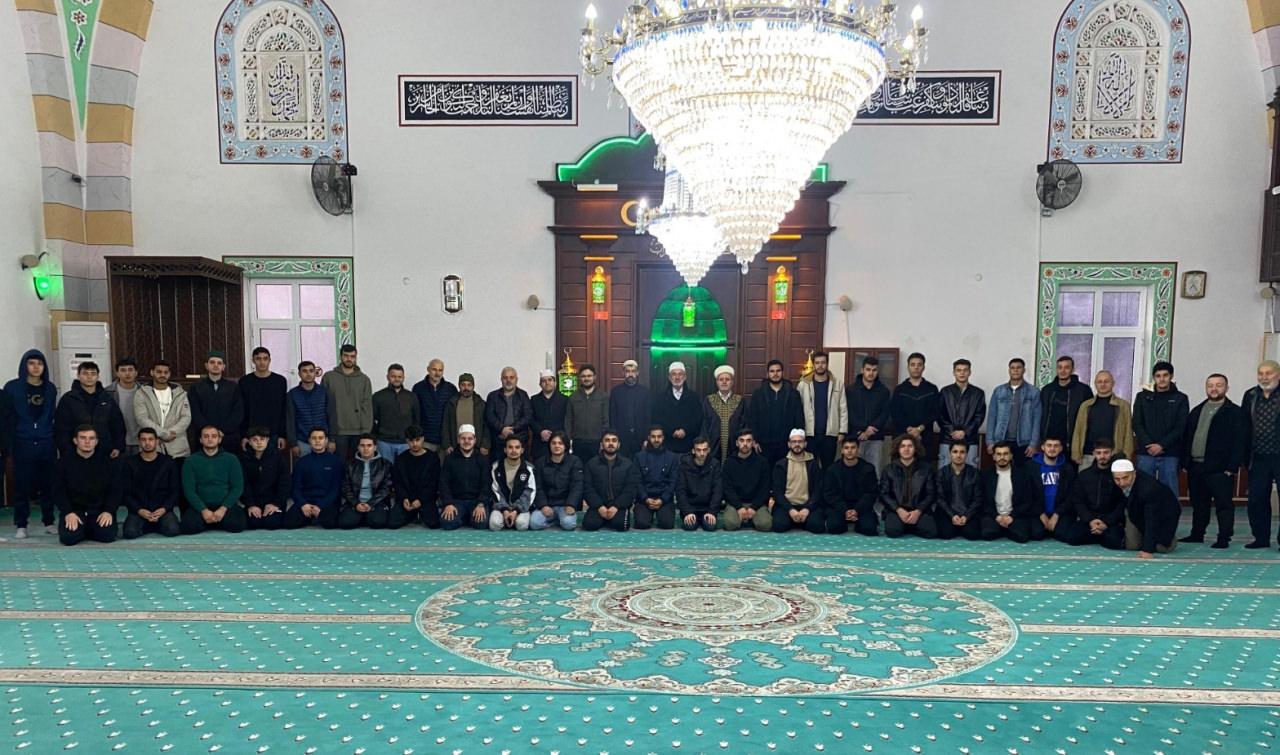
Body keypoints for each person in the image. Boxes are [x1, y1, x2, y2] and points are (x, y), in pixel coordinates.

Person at [1180, 374, 1245, 547]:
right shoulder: (1196, 411)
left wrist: (1232, 467)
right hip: (1196, 466)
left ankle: (1224, 538)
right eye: (1210, 385)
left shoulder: (1235, 412)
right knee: (1198, 504)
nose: (1214, 389)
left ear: (1227, 388)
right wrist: (1185, 462)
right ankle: (1197, 534)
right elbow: (1187, 437)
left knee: (1223, 505)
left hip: (1221, 469)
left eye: (1218, 385)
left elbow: (1239, 441)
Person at [5, 350, 58, 538]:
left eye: (40, 363)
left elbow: (51, 415)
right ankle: (21, 524)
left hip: (45, 441)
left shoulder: (50, 388)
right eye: (31, 363)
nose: (36, 367)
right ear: (24, 365)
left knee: (48, 484)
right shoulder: (12, 387)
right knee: (22, 484)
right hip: (22, 441)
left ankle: (49, 521)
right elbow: (7, 416)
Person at [52, 425, 121, 546]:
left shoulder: (107, 463)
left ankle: (87, 529)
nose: (87, 442)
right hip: (75, 512)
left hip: (99, 512)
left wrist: (109, 511)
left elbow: (115, 490)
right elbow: (58, 491)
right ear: (75, 440)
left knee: (107, 536)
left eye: (91, 438)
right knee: (69, 538)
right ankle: (85, 529)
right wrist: (68, 512)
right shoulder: (63, 463)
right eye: (83, 438)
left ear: (96, 441)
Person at [1133, 361, 1189, 496]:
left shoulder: (1181, 398)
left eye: (1165, 375)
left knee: (1169, 492)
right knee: (1143, 490)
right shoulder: (1142, 397)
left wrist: (1162, 445)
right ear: (1154, 378)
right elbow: (1136, 423)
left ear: (1171, 376)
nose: (1162, 379)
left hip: (1170, 453)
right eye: (1158, 376)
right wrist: (1148, 444)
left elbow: (1181, 426)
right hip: (1146, 452)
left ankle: (1169, 512)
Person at [1056, 440, 1126, 549]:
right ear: (1094, 453)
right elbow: (1078, 501)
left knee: (1114, 542)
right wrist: (1090, 520)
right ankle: (1097, 533)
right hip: (1089, 519)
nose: (1102, 456)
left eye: (1106, 452)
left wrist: (1106, 522)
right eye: (1099, 453)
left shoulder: (1117, 476)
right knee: (1072, 537)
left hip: (1110, 521)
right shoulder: (1084, 475)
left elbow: (1122, 503)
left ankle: (1098, 533)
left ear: (1112, 453)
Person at [180, 425, 247, 535]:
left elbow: (237, 487)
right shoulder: (191, 461)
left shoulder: (231, 459)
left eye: (214, 436)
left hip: (224, 505)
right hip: (201, 506)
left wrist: (223, 509)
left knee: (238, 525)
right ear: (200, 440)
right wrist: (203, 510)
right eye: (206, 436)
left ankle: (212, 521)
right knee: (188, 527)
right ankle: (213, 520)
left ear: (219, 439)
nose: (210, 439)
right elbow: (189, 490)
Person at [1242, 360, 1280, 549]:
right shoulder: (1250, 395)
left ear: (1278, 375)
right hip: (1257, 457)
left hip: (1278, 455)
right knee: (1256, 499)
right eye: (1261, 373)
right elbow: (1243, 426)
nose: (1264, 377)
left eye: (1269, 373)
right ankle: (1261, 538)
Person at [54, 361, 126, 458]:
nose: (89, 377)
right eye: (85, 373)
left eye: (93, 373)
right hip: (76, 452)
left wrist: (118, 446)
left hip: (105, 451)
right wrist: (66, 450)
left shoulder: (107, 398)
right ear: (78, 375)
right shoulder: (68, 399)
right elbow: (61, 428)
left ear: (98, 376)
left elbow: (117, 424)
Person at [120, 427, 181, 539]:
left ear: (157, 441)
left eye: (150, 439)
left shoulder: (168, 462)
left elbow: (175, 491)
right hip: (139, 510)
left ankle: (153, 525)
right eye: (143, 439)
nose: (147, 443)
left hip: (162, 510)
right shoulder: (130, 463)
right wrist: (139, 510)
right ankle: (150, 525)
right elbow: (126, 492)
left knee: (173, 530)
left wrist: (164, 509)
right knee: (130, 533)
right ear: (139, 442)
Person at [980, 441, 1046, 542]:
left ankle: (1006, 529)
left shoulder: (1022, 475)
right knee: (988, 534)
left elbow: (1027, 501)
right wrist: (996, 517)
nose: (1002, 457)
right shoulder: (986, 475)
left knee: (1021, 537)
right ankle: (1001, 528)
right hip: (994, 516)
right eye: (999, 454)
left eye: (1005, 454)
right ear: (994, 456)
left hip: (1015, 516)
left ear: (1011, 456)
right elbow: (983, 501)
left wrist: (1012, 516)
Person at [1112, 459, 1180, 558]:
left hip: (1163, 515)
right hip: (1134, 512)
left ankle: (1169, 539)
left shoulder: (1149, 488)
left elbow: (1151, 519)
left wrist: (1148, 550)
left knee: (1161, 548)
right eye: (1117, 479)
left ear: (1134, 473)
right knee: (1132, 546)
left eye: (1125, 478)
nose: (1121, 483)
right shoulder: (1114, 482)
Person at [879, 433, 938, 538]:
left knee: (930, 532)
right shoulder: (889, 469)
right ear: (898, 449)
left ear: (915, 449)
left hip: (919, 510)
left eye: (910, 446)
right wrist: (898, 510)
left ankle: (909, 525)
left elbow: (931, 494)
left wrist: (918, 511)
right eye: (903, 446)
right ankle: (907, 525)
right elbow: (884, 494)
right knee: (893, 531)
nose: (906, 449)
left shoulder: (926, 469)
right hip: (896, 510)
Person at [818, 436, 879, 535]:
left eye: (853, 447)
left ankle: (858, 522)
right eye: (846, 448)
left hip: (861, 507)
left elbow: (871, 493)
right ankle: (847, 520)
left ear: (858, 450)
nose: (849, 451)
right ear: (842, 450)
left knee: (869, 528)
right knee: (834, 527)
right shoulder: (832, 469)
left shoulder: (868, 469)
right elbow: (829, 494)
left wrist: (857, 510)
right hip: (840, 506)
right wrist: (844, 510)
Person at [284, 428, 344, 529]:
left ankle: (314, 516)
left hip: (326, 502)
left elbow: (336, 489)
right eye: (314, 438)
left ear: (326, 440)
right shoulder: (301, 462)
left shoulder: (336, 462)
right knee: (289, 523)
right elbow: (295, 487)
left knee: (330, 523)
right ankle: (310, 516)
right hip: (306, 501)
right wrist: (303, 504)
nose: (317, 441)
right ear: (309, 440)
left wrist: (321, 505)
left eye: (320, 438)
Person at [322, 344, 374, 460]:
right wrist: (328, 434)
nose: (349, 359)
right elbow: (324, 406)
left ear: (356, 358)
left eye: (352, 356)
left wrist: (366, 432)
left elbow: (367, 407)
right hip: (337, 432)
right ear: (340, 357)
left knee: (356, 465)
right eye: (346, 356)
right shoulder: (329, 377)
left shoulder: (364, 380)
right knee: (338, 465)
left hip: (358, 432)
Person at [1071, 370, 1135, 465]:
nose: (1103, 384)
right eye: (1099, 382)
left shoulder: (1123, 406)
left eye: (1106, 381)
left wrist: (1127, 455)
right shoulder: (1085, 406)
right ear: (1095, 384)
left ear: (1113, 383)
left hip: (1115, 455)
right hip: (1088, 455)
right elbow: (1078, 431)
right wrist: (1076, 453)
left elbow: (1128, 432)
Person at [748, 360, 804, 465]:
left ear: (782, 372)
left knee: (784, 472)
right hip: (764, 444)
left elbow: (799, 418)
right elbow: (752, 419)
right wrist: (754, 440)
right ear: (767, 374)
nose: (775, 374)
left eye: (778, 371)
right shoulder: (758, 394)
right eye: (772, 371)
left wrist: (797, 441)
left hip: (786, 444)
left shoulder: (793, 394)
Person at [798, 351, 847, 470]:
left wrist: (842, 431)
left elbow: (843, 408)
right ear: (814, 364)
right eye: (817, 363)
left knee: (829, 468)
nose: (820, 365)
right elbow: (798, 409)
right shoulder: (803, 384)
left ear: (827, 364)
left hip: (830, 434)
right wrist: (800, 431)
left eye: (823, 362)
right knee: (810, 467)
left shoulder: (837, 384)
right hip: (810, 434)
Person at [582, 431, 639, 532]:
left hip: (618, 506)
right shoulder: (591, 464)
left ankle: (608, 519)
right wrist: (599, 506)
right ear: (601, 444)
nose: (611, 443)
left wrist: (616, 506)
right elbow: (587, 488)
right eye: (607, 440)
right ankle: (604, 519)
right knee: (589, 525)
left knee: (621, 525)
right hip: (599, 506)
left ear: (618, 444)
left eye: (614, 440)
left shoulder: (628, 465)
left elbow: (630, 489)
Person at [188, 352, 244, 453]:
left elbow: (238, 412)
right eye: (212, 362)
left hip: (228, 437)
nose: (216, 365)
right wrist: (209, 432)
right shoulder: (196, 387)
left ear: (223, 367)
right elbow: (194, 411)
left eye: (219, 363)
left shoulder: (233, 387)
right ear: (206, 365)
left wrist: (222, 431)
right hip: (205, 437)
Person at [986, 358, 1041, 462]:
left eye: (1018, 368)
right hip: (1001, 441)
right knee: (1002, 470)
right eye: (1012, 368)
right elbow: (992, 417)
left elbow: (1037, 419)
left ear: (1024, 370)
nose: (1015, 370)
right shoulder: (999, 391)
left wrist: (1034, 444)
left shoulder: (1033, 392)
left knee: (1022, 471)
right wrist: (990, 441)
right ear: (1009, 370)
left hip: (1024, 442)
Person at [134, 360, 191, 459]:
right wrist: (163, 434)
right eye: (159, 372)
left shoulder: (180, 393)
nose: (162, 375)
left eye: (166, 372)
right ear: (152, 372)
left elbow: (186, 417)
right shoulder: (141, 393)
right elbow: (142, 418)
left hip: (177, 445)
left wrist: (172, 433)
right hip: (153, 447)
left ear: (169, 374)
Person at [720, 428, 773, 532]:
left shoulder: (762, 462)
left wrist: (754, 508)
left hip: (756, 504)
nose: (745, 444)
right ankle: (746, 519)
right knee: (730, 524)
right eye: (742, 440)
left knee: (766, 525)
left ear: (753, 443)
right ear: (737, 443)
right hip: (735, 504)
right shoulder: (729, 463)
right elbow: (727, 489)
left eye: (748, 441)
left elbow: (765, 489)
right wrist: (739, 507)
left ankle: (749, 519)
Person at [439, 424, 490, 530]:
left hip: (476, 501)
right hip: (456, 501)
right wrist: (448, 503)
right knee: (447, 523)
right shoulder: (450, 459)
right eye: (463, 438)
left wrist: (481, 504)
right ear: (458, 440)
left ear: (475, 440)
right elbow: (443, 483)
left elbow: (486, 484)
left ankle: (465, 517)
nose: (466, 441)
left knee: (481, 524)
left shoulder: (482, 459)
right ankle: (466, 517)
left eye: (470, 438)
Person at [339, 434, 395, 529]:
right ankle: (361, 516)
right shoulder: (349, 464)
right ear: (358, 447)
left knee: (377, 523)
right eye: (362, 445)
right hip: (355, 502)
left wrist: (370, 503)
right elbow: (345, 487)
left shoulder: (385, 464)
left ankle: (365, 517)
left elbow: (386, 488)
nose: (366, 449)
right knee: (346, 524)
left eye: (369, 445)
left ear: (375, 447)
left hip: (377, 503)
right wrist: (356, 503)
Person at [890, 352, 940, 458]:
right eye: (913, 364)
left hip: (925, 437)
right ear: (908, 367)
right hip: (902, 437)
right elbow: (895, 412)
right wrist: (909, 429)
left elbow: (935, 412)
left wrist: (920, 429)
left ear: (923, 367)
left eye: (919, 364)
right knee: (901, 466)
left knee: (924, 466)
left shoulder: (932, 389)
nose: (916, 367)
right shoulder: (900, 389)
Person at [771, 429, 822, 533]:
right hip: (787, 506)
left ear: (805, 444)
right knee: (779, 526)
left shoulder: (813, 464)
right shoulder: (780, 465)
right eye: (794, 442)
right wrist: (791, 510)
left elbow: (818, 490)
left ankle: (798, 520)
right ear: (789, 444)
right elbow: (777, 492)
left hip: (807, 505)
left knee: (817, 526)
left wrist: (807, 509)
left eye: (800, 441)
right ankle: (797, 520)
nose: (797, 444)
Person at [238, 347, 288, 452]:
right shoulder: (245, 382)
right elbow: (242, 410)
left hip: (274, 434)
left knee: (273, 461)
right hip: (252, 433)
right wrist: (244, 435)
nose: (262, 362)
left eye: (265, 359)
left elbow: (283, 409)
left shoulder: (280, 381)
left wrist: (282, 435)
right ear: (253, 360)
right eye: (258, 359)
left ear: (269, 360)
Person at [938, 359, 985, 467]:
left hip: (970, 439)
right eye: (958, 370)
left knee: (970, 473)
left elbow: (979, 416)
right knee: (945, 472)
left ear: (970, 372)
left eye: (965, 370)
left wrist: (965, 432)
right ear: (954, 372)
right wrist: (952, 431)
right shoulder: (945, 392)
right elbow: (940, 415)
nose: (962, 373)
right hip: (947, 439)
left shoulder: (978, 393)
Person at [240, 426, 289, 531]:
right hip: (254, 502)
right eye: (255, 440)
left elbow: (285, 483)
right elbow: (244, 484)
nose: (259, 443)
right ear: (249, 442)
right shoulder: (244, 459)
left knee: (272, 524)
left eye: (262, 439)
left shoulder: (278, 457)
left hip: (274, 501)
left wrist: (275, 504)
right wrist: (251, 505)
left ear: (267, 440)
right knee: (253, 523)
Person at [532, 432, 583, 531]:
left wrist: (571, 504)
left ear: (565, 446)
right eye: (554, 443)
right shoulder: (540, 462)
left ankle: (558, 520)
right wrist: (543, 505)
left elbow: (577, 486)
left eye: (560, 443)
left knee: (569, 524)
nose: (557, 446)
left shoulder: (574, 461)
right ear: (549, 445)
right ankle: (557, 520)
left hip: (565, 505)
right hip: (548, 505)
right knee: (534, 523)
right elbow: (538, 487)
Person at [847, 356, 892, 469]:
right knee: (855, 471)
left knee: (874, 470)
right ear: (862, 370)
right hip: (855, 437)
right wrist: (862, 430)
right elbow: (848, 412)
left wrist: (870, 430)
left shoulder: (884, 391)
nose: (871, 373)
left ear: (878, 371)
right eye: (868, 369)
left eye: (874, 370)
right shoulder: (851, 390)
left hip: (875, 437)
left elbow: (885, 413)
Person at [1039, 355, 1093, 449]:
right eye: (1060, 367)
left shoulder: (1083, 390)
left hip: (1073, 443)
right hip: (1050, 443)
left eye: (1066, 367)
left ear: (1072, 369)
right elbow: (1040, 415)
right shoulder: (1047, 390)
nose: (1063, 371)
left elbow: (1090, 417)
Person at [393, 426, 441, 528]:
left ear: (423, 439)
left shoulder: (432, 458)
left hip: (425, 499)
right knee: (393, 523)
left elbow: (434, 483)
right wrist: (404, 498)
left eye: (417, 440)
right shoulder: (401, 459)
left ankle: (418, 513)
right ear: (407, 441)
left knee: (434, 523)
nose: (414, 444)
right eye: (411, 441)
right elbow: (398, 482)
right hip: (407, 499)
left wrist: (421, 500)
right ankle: (412, 515)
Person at [933, 441, 984, 540]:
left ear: (967, 454)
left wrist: (966, 516)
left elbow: (977, 499)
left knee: (972, 534)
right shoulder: (941, 473)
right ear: (950, 453)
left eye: (962, 452)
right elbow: (940, 498)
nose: (958, 455)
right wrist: (952, 515)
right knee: (946, 534)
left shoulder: (974, 473)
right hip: (948, 513)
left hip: (968, 514)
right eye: (955, 452)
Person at [652, 361, 702, 456]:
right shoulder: (660, 397)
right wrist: (672, 431)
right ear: (669, 377)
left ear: (685, 377)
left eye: (680, 374)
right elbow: (657, 418)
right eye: (674, 374)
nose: (677, 377)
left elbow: (697, 419)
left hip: (689, 445)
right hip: (667, 445)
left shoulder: (694, 397)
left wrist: (685, 430)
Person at [634, 426, 679, 530]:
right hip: (644, 499)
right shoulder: (639, 457)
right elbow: (637, 481)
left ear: (663, 438)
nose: (656, 439)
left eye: (659, 437)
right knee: (642, 524)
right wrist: (645, 498)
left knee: (666, 524)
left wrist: (662, 499)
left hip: (664, 499)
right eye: (653, 437)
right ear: (649, 438)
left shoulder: (672, 457)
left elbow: (673, 482)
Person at [373, 363, 420, 460]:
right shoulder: (378, 396)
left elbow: (416, 419)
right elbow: (372, 419)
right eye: (393, 376)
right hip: (384, 442)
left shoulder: (411, 397)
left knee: (404, 469)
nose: (397, 379)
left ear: (403, 378)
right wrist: (375, 437)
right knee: (386, 469)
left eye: (399, 377)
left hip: (405, 442)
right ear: (387, 377)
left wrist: (413, 439)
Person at [489, 435, 537, 531]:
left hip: (521, 508)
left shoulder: (529, 469)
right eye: (510, 447)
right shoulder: (496, 467)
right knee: (494, 524)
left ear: (522, 450)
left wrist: (516, 510)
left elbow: (529, 493)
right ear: (505, 450)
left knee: (521, 525)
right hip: (501, 507)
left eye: (517, 447)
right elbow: (495, 491)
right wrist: (505, 510)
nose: (514, 450)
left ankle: (512, 520)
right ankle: (507, 519)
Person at [1031, 436, 1076, 538]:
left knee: (1061, 534)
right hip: (1038, 512)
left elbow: (1071, 496)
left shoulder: (1068, 468)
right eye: (1049, 445)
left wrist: (1057, 515)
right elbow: (1028, 495)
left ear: (1061, 448)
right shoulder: (1031, 467)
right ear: (1043, 447)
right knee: (1037, 534)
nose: (1052, 449)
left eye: (1056, 446)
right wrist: (1041, 514)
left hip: (1060, 513)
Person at [287, 361, 333, 457]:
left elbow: (331, 417)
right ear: (299, 374)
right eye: (304, 371)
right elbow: (290, 420)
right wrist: (293, 443)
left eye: (311, 371)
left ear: (315, 373)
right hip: (302, 441)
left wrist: (332, 439)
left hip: (323, 440)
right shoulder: (292, 394)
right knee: (303, 466)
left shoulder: (324, 392)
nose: (308, 374)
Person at [701, 365, 746, 463]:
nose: (724, 382)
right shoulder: (708, 400)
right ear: (717, 382)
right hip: (713, 448)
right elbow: (704, 426)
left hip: (735, 448)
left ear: (732, 382)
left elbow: (744, 425)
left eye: (727, 379)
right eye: (721, 379)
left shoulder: (740, 401)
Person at [411, 359, 457, 453]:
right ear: (428, 369)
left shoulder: (451, 389)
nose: (437, 373)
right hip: (425, 439)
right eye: (434, 369)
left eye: (440, 370)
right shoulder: (418, 388)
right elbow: (414, 413)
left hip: (445, 441)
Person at [676, 437, 722, 532]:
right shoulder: (684, 465)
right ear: (693, 451)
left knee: (710, 527)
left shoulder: (715, 464)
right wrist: (687, 512)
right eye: (698, 450)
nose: (702, 453)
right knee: (690, 527)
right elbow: (680, 490)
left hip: (708, 508)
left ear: (708, 450)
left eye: (704, 450)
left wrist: (712, 512)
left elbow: (718, 490)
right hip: (690, 507)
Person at [483, 367, 532, 454]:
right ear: (501, 380)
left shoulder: (523, 395)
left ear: (516, 379)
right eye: (505, 378)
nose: (508, 380)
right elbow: (489, 416)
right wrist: (502, 429)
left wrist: (512, 429)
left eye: (511, 377)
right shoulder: (493, 396)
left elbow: (528, 416)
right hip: (499, 439)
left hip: (520, 440)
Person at [565, 364, 608, 458]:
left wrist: (604, 440)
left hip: (597, 442)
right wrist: (569, 440)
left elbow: (606, 420)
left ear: (594, 377)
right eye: (583, 376)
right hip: (577, 442)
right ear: (580, 378)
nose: (586, 378)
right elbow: (568, 420)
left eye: (589, 376)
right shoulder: (573, 397)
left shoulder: (603, 396)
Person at [442, 374, 490, 457]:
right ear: (459, 386)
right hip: (455, 447)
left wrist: (485, 444)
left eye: (469, 385)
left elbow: (487, 426)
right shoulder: (451, 403)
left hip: (477, 448)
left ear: (473, 386)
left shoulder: (481, 404)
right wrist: (447, 445)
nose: (466, 388)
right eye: (463, 385)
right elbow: (445, 425)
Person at [609, 359, 650, 457]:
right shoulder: (616, 392)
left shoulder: (645, 392)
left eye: (633, 371)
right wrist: (614, 438)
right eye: (627, 371)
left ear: (637, 373)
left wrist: (646, 438)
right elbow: (612, 416)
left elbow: (648, 417)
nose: (630, 374)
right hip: (621, 437)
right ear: (623, 373)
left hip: (639, 438)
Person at [105, 358, 141, 456]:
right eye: (123, 370)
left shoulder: (145, 392)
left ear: (136, 373)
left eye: (130, 370)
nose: (127, 373)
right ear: (117, 373)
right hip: (117, 443)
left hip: (141, 441)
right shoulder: (107, 393)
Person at [530, 369, 568, 461]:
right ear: (540, 384)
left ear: (555, 383)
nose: (547, 383)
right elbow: (530, 419)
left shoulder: (565, 400)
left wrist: (555, 435)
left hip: (559, 444)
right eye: (544, 381)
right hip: (539, 444)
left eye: (550, 380)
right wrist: (540, 432)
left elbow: (567, 420)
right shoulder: (534, 400)